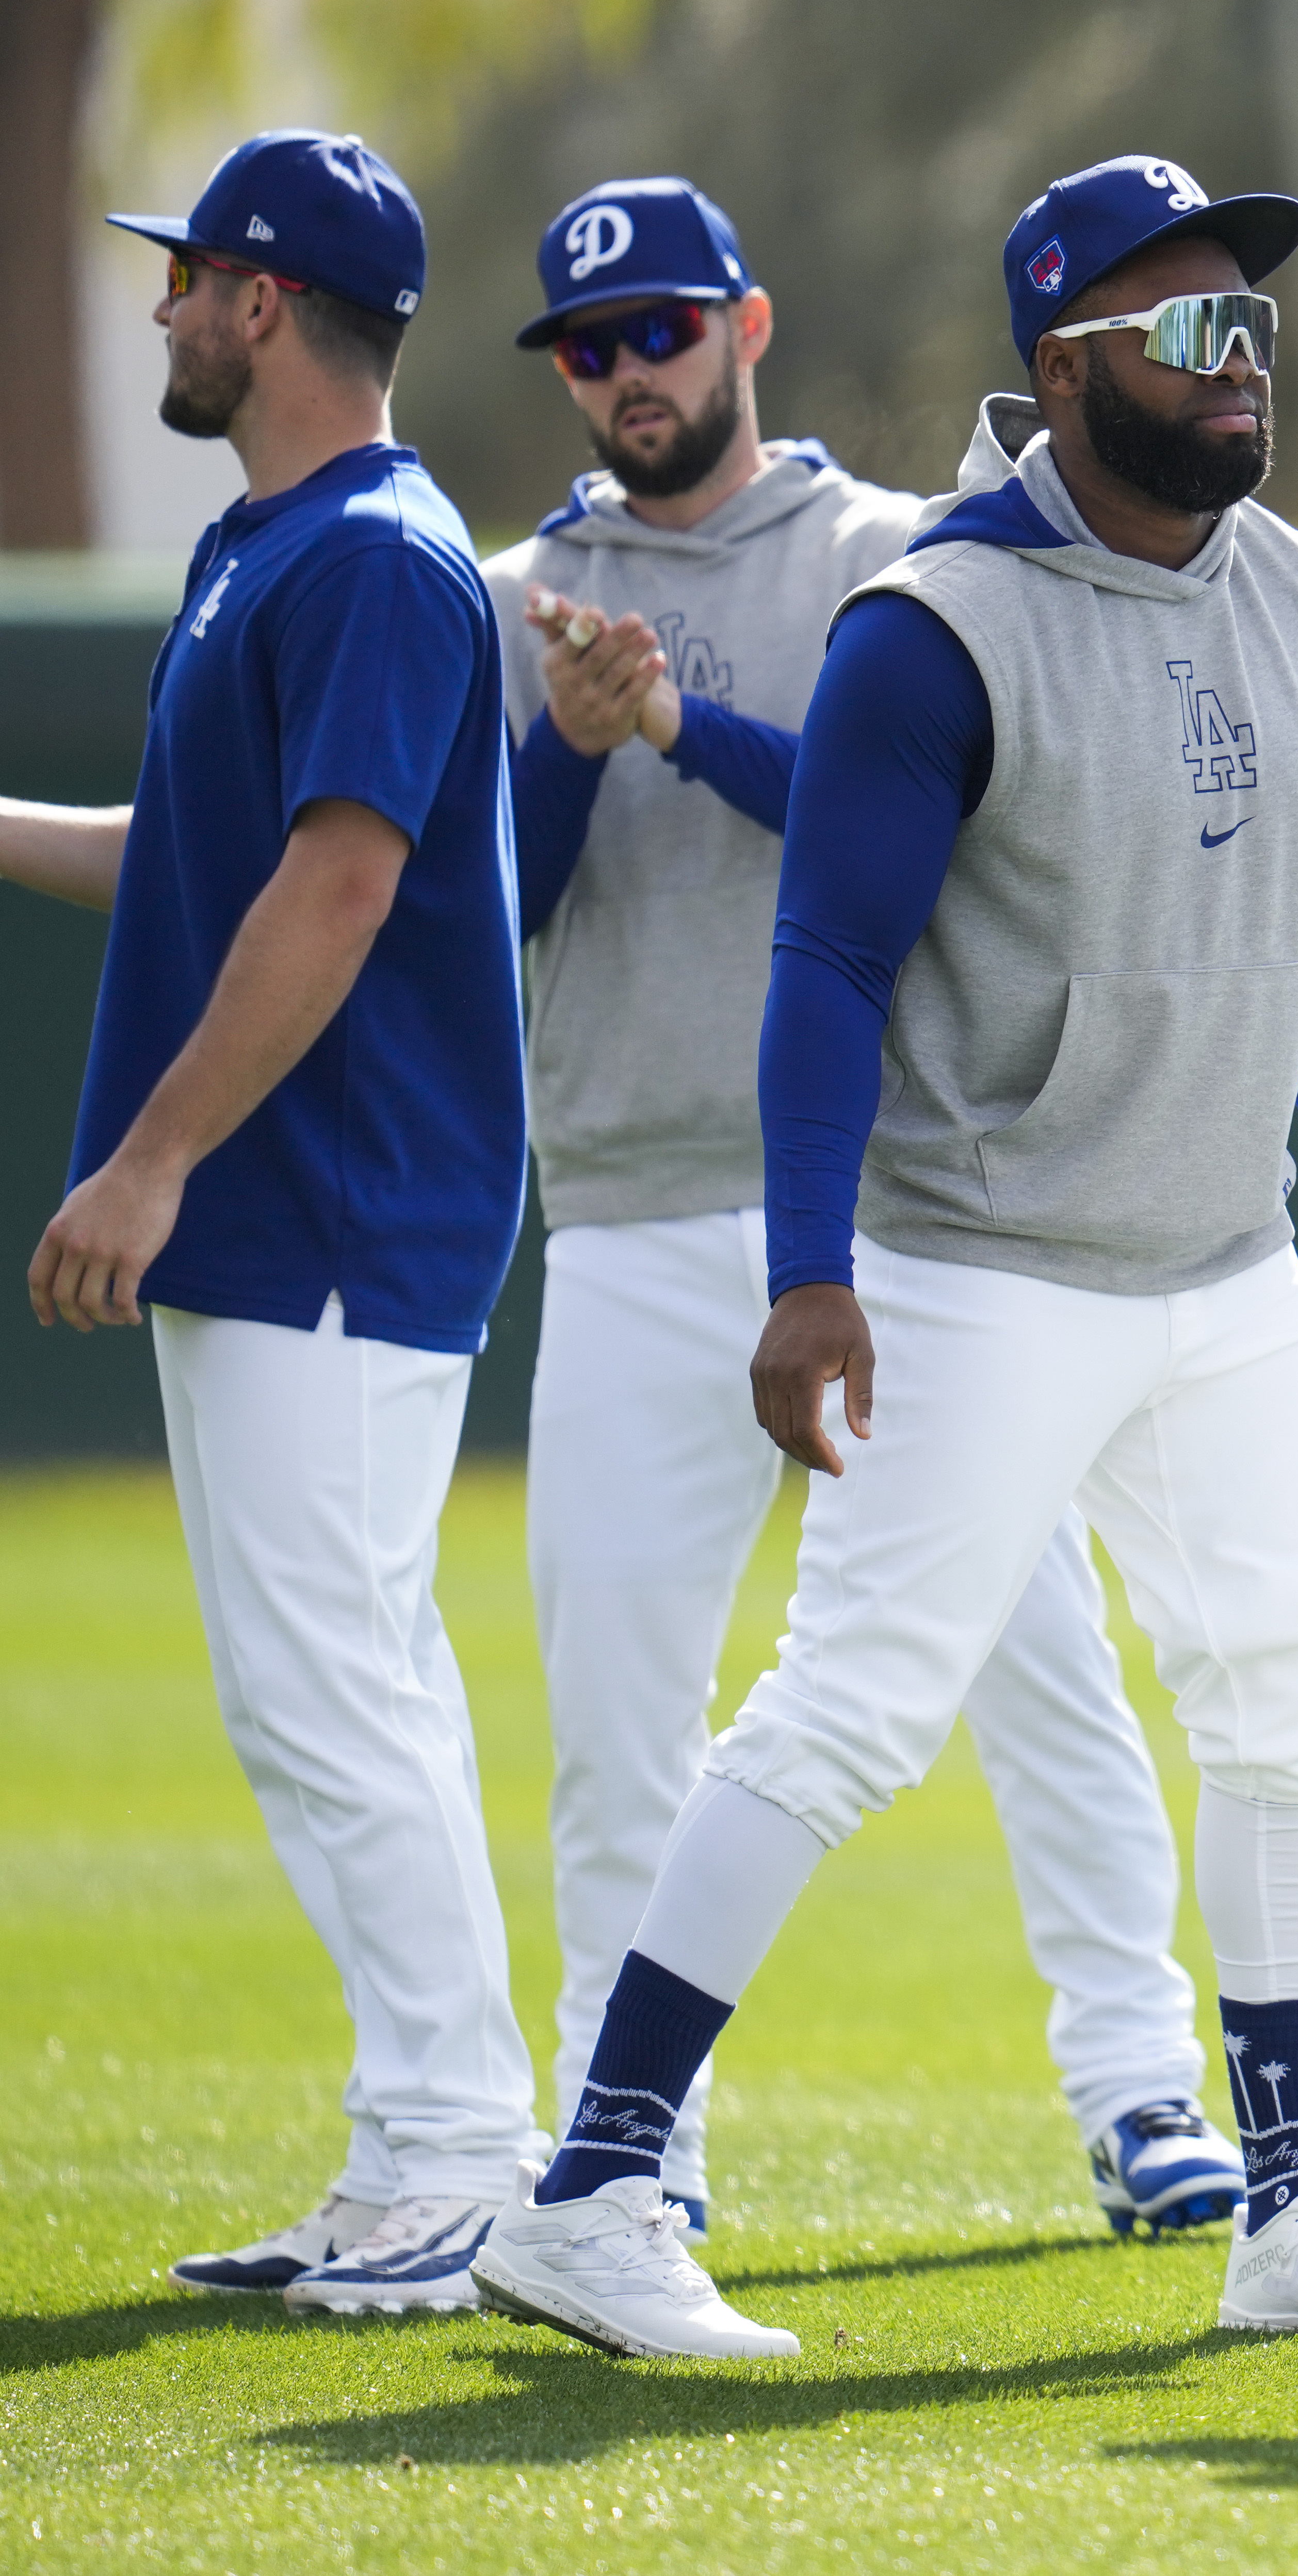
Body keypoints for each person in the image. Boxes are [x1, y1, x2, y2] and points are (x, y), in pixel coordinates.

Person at [470, 153, 1298, 2357]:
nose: (1243, 366)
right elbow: (830, 961)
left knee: (1296, 1707)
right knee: (844, 1712)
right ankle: (589, 2195)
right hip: (986, 1261)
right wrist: (813, 1273)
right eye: (1190, 327)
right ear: (1065, 368)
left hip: (1227, 1267)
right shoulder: (931, 622)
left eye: (1257, 324)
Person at [485, 173, 1245, 2246]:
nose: (627, 371)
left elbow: (895, 851)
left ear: (745, 322)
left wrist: (675, 724)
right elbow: (496, 912)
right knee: (624, 1702)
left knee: (1040, 1666)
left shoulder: (899, 554)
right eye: (587, 346)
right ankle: (632, 2161)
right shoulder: (517, 587)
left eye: (659, 328)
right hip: (640, 1201)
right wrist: (569, 751)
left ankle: (1142, 2095)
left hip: (905, 1207)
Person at [0, 133, 534, 2314]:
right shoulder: (277, 547)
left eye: (187, 275)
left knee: (334, 1692)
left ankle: (456, 2164)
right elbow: (209, 857)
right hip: (293, 1212)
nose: (158, 308)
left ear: (265, 301)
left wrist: (153, 1157)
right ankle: (418, 2145)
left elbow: (337, 893)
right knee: (332, 1688)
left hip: (336, 1203)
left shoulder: (382, 559)